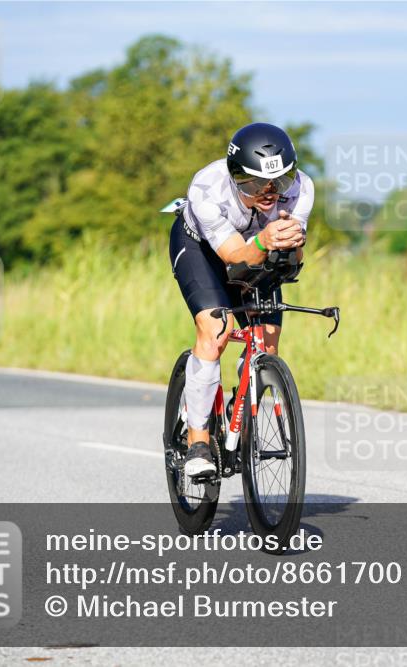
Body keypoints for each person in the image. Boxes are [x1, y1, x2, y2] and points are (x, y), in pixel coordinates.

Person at [168, 123, 314, 477]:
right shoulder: (207, 188)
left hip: (260, 250)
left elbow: (291, 264)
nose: (268, 193)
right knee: (215, 331)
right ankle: (198, 440)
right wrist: (265, 241)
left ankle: (243, 400)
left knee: (267, 344)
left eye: (278, 182)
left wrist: (292, 247)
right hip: (203, 251)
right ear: (236, 178)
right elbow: (234, 257)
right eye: (254, 184)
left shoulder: (302, 188)